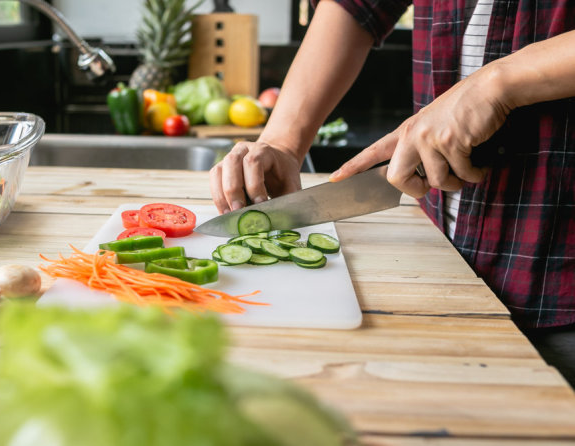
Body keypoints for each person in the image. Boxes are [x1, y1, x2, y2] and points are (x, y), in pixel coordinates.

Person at [209, 0, 575, 386]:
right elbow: (358, 7)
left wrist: (497, 82)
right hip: (443, 268)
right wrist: (283, 142)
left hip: (559, 282)